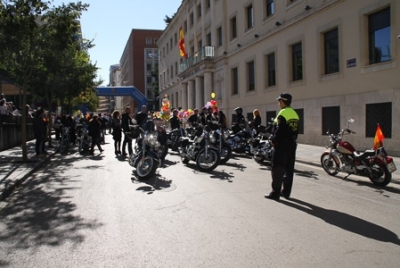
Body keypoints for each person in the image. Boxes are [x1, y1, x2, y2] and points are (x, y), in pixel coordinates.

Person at [265, 93, 299, 201]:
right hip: (292, 144)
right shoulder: (295, 114)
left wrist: (274, 140)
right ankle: (286, 192)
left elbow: (279, 129)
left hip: (281, 145)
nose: (279, 103)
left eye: (279, 101)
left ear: (283, 101)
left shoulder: (283, 113)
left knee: (277, 168)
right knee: (289, 169)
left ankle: (276, 193)